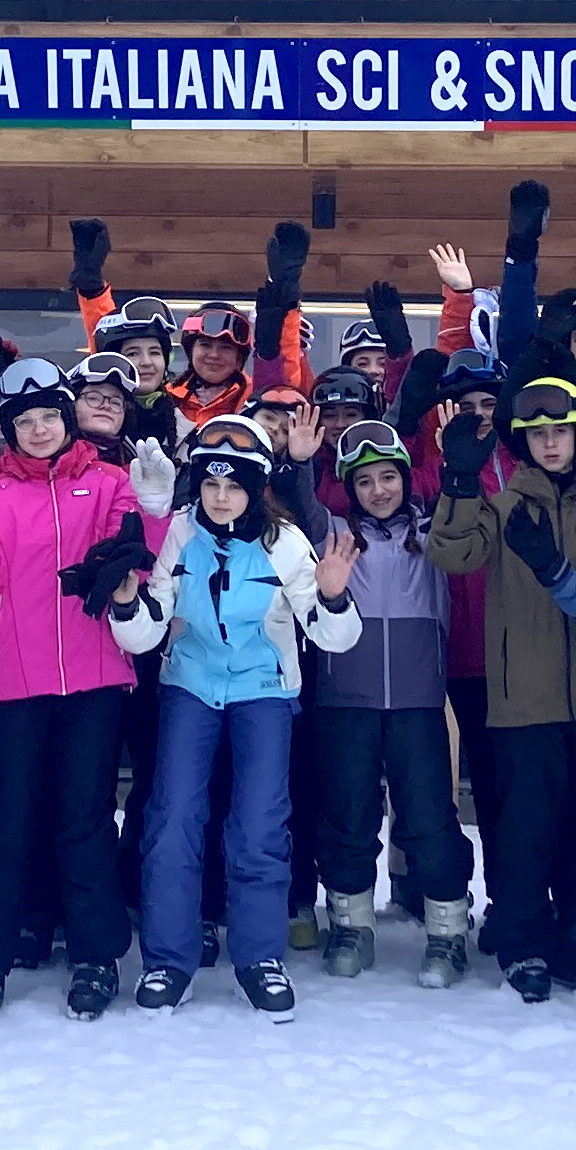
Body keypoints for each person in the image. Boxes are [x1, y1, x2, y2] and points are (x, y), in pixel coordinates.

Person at [0, 358, 169, 1020]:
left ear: (68, 419)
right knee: (9, 823)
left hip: (94, 680)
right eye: (27, 421)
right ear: (11, 430)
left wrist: (156, 509)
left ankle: (96, 955)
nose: (41, 429)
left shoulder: (108, 485)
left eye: (50, 416)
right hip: (12, 685)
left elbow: (137, 559)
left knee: (84, 819)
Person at [109, 425, 356, 1014]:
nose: (220, 496)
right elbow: (148, 630)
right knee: (172, 820)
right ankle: (170, 958)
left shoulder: (287, 542)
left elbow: (333, 637)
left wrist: (333, 597)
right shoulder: (181, 532)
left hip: (263, 691)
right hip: (191, 684)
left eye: (234, 484)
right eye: (210, 482)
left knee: (259, 823)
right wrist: (125, 606)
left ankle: (259, 956)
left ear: (256, 487)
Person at [428, 375, 576, 1002]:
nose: (552, 445)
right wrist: (461, 484)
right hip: (523, 696)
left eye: (561, 433)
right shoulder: (504, 505)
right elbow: (452, 554)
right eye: (539, 434)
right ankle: (523, 941)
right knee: (526, 826)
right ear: (523, 442)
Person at [311, 421, 473, 987]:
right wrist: (297, 466)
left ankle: (448, 929)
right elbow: (294, 509)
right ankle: (351, 924)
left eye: (388, 478)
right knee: (349, 815)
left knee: (429, 819)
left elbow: (463, 527)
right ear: (348, 490)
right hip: (346, 702)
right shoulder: (332, 535)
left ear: (407, 479)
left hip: (418, 702)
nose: (379, 490)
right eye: (364, 482)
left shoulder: (431, 533)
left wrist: (456, 468)